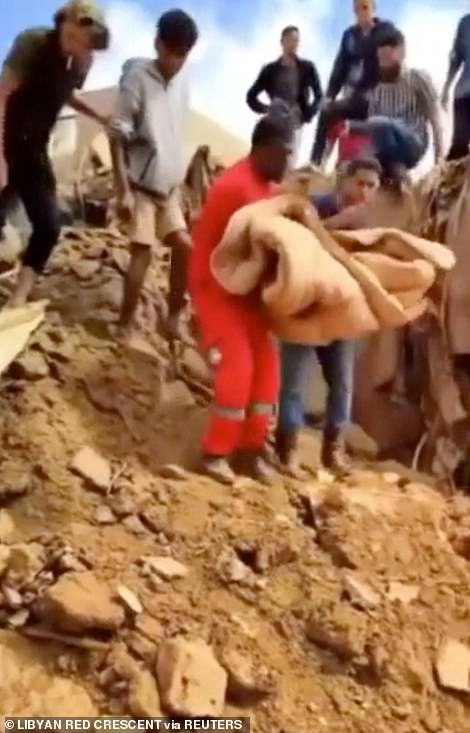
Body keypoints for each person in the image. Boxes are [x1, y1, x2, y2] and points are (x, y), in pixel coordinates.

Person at [189, 114, 293, 485]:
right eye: (284, 153)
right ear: (263, 150)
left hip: (243, 293)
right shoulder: (239, 189)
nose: (288, 162)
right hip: (215, 290)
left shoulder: (262, 185)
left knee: (268, 369)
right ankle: (215, 452)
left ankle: (250, 449)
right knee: (239, 366)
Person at [275, 157, 382, 475]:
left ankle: (333, 452)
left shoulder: (373, 225)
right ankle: (287, 452)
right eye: (359, 182)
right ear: (344, 180)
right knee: (293, 383)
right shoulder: (313, 206)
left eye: (371, 186)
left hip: (341, 314)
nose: (363, 191)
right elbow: (295, 244)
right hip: (304, 310)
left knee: (342, 385)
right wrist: (339, 223)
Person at [0, 0, 109, 306]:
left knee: (45, 221)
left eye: (90, 36)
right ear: (65, 21)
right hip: (11, 139)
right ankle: (17, 295)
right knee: (44, 222)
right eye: (79, 27)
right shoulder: (32, 42)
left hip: (36, 147)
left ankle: (17, 295)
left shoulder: (80, 63)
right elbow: (3, 94)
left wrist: (100, 116)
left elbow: (66, 94)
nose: (84, 41)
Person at [110, 9, 198, 339]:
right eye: (171, 52)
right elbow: (116, 135)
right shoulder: (137, 78)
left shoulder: (184, 78)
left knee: (185, 247)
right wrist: (123, 191)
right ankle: (123, 324)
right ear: (157, 43)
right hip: (141, 185)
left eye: (183, 55)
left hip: (170, 188)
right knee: (142, 253)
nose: (175, 61)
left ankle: (174, 316)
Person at [347, 27, 443, 183]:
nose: (384, 64)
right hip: (387, 144)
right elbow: (373, 134)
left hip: (413, 141)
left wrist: (439, 159)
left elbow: (435, 118)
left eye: (388, 58)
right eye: (381, 60)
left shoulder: (417, 78)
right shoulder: (378, 91)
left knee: (378, 123)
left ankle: (394, 167)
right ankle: (397, 173)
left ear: (401, 53)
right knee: (361, 158)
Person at [311, 0, 393, 166]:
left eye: (365, 8)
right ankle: (315, 162)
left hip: (376, 97)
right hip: (353, 97)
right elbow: (339, 67)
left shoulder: (385, 30)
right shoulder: (349, 35)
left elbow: (391, 61)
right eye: (357, 9)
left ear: (373, 9)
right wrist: (329, 95)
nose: (361, 13)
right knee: (327, 111)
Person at [246, 26, 322, 165]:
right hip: (274, 119)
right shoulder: (270, 70)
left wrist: (309, 114)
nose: (294, 44)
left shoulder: (307, 68)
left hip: (295, 121)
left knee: (288, 163)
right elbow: (251, 96)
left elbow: (319, 96)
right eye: (290, 40)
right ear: (282, 41)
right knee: (262, 158)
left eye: (296, 41)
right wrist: (266, 109)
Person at [442, 14, 470, 161]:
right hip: (463, 94)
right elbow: (456, 58)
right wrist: (446, 88)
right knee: (458, 147)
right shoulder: (465, 23)